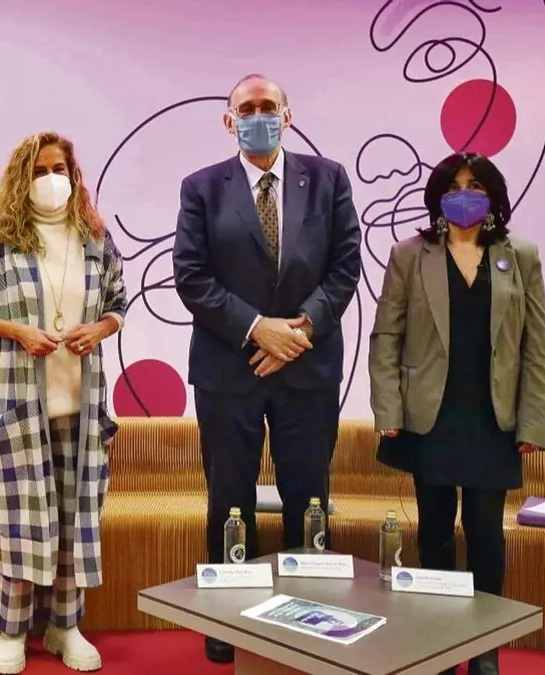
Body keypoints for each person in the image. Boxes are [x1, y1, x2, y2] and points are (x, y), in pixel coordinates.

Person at [172, 73, 362, 664]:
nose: (259, 116)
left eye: (269, 106)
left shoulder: (328, 179)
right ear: (229, 121)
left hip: (307, 367)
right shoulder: (201, 188)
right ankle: (230, 618)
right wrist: (259, 329)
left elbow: (345, 267)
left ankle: (313, 617)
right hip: (229, 371)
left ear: (288, 114)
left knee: (309, 496)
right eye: (247, 108)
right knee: (230, 497)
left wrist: (297, 331)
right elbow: (191, 277)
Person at [368, 152, 545, 675]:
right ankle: (442, 646)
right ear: (438, 197)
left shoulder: (520, 256)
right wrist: (388, 409)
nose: (464, 194)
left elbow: (536, 346)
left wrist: (534, 421)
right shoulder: (410, 255)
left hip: (494, 418)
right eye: (454, 186)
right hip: (430, 417)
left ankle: (485, 648)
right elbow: (386, 337)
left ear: (493, 196)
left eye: (475, 185)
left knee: (486, 531)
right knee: (434, 530)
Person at [0, 131, 128, 674]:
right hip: (17, 409)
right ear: (21, 178)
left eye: (59, 169)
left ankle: (65, 627)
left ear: (74, 176)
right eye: (38, 170)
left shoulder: (95, 237)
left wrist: (100, 329)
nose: (51, 180)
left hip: (81, 408)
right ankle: (11, 631)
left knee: (75, 522)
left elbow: (118, 302)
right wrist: (17, 331)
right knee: (18, 523)